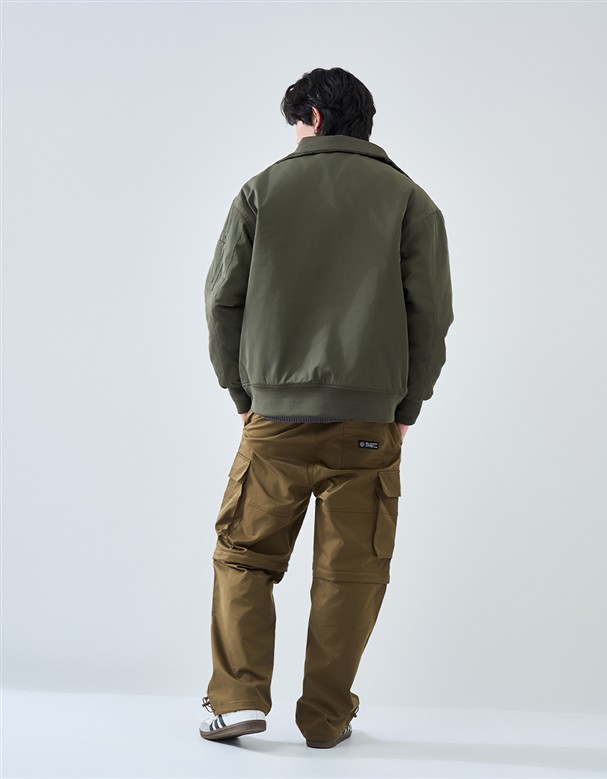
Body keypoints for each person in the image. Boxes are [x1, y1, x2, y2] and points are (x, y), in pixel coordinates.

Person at [199, 66, 454, 749]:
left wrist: (244, 394)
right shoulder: (410, 199)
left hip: (274, 421)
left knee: (245, 556)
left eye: (296, 122)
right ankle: (326, 716)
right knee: (351, 574)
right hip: (369, 425)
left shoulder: (261, 191)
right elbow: (431, 315)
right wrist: (406, 404)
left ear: (312, 117)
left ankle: (237, 699)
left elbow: (222, 301)